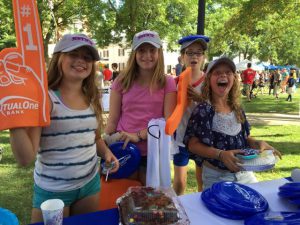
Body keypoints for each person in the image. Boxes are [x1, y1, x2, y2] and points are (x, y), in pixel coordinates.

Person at [9, 33, 119, 223]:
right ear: (59, 58)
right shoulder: (45, 99)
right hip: (53, 190)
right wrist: (12, 120)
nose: (80, 61)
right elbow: (25, 158)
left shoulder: (92, 97)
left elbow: (94, 137)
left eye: (86, 57)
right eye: (73, 54)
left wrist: (106, 153)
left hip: (89, 185)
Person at [183, 57, 281, 190]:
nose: (223, 75)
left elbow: (246, 137)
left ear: (234, 79)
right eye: (217, 72)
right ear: (209, 79)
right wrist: (220, 155)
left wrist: (258, 144)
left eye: (228, 72)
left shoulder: (237, 108)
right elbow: (192, 145)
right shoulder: (204, 109)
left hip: (245, 173)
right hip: (217, 177)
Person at [104, 30, 177, 185]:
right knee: (120, 198)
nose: (147, 55)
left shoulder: (168, 82)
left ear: (159, 53)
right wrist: (107, 144)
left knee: (149, 202)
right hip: (122, 149)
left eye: (152, 50)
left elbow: (168, 121)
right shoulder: (121, 81)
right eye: (142, 50)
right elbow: (113, 118)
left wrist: (137, 135)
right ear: (134, 54)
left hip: (152, 153)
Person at [171, 34, 209, 195]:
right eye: (189, 52)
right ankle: (178, 213)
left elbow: (218, 108)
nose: (194, 56)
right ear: (182, 57)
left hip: (203, 139)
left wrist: (201, 99)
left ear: (204, 57)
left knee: (202, 182)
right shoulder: (174, 83)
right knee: (179, 183)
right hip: (180, 139)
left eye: (198, 52)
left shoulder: (209, 82)